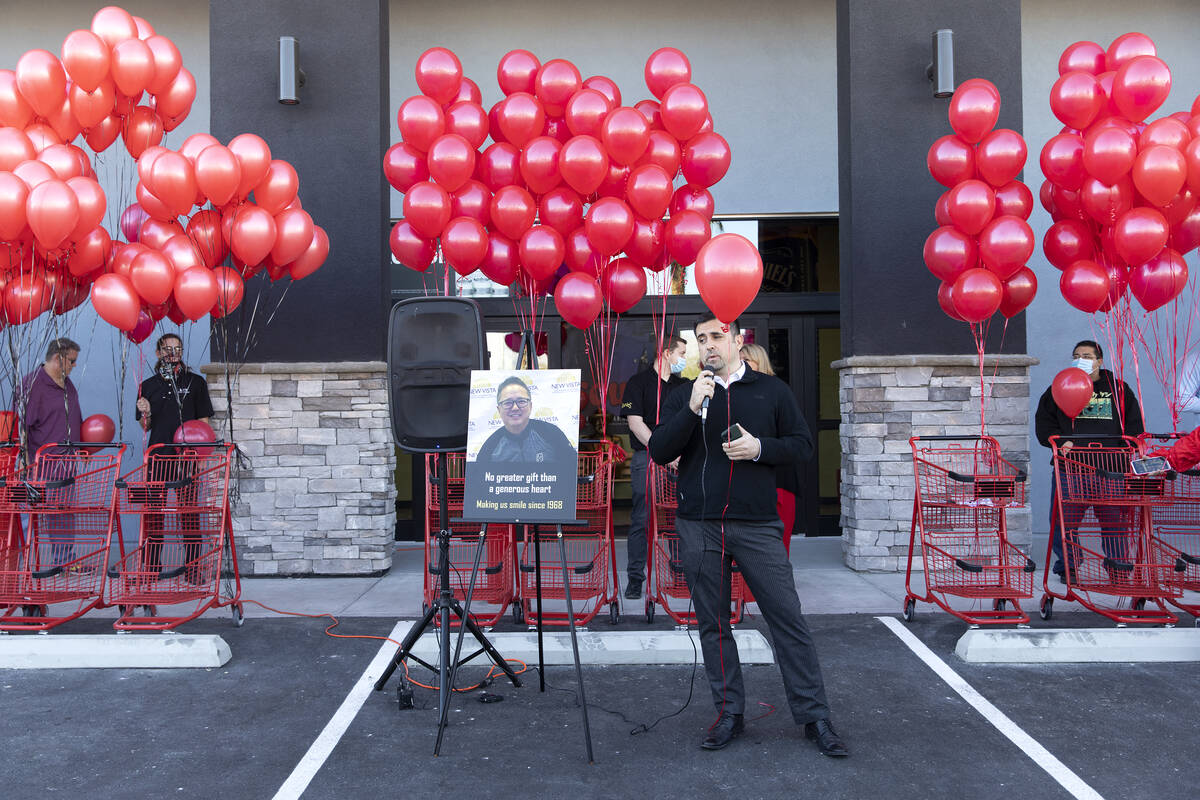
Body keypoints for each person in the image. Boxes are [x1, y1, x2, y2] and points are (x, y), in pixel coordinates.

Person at [650, 312, 848, 757]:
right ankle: (728, 713)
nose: (709, 345)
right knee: (714, 625)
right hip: (699, 524)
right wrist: (690, 407)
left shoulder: (771, 390)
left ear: (738, 341)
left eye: (717, 336)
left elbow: (802, 445)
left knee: (787, 620)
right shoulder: (687, 393)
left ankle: (815, 716)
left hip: (757, 525)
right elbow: (661, 450)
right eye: (701, 339)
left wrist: (761, 449)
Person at [1034, 339, 1143, 582]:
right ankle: (1068, 566)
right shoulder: (1059, 387)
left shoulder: (1119, 390)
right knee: (1064, 521)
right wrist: (1060, 443)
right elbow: (1044, 424)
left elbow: (1135, 426)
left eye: (1087, 355)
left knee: (1115, 523)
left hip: (1111, 469)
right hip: (1072, 469)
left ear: (1099, 361)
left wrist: (1126, 448)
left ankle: (1118, 567)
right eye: (1076, 355)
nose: (1081, 359)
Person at [135, 334, 214, 582]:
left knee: (189, 514)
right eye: (168, 349)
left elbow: (203, 422)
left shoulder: (195, 382)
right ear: (158, 353)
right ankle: (152, 567)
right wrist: (144, 413)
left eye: (177, 348)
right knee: (154, 514)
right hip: (158, 457)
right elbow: (144, 425)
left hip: (187, 458)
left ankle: (192, 569)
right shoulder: (147, 385)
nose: (173, 353)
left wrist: (201, 456)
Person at [619, 333, 687, 600]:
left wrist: (675, 453)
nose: (684, 358)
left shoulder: (683, 386)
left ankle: (680, 574)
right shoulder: (638, 383)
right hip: (646, 458)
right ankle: (635, 579)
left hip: (679, 461)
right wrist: (662, 450)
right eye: (681, 353)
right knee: (641, 520)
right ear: (665, 353)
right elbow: (634, 423)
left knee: (677, 518)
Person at [15, 338, 83, 569]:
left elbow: (74, 416)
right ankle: (22, 566)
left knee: (62, 514)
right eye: (72, 361)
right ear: (58, 358)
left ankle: (64, 562)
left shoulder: (66, 383)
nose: (74, 365)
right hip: (40, 465)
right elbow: (22, 427)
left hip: (65, 464)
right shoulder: (33, 384)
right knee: (27, 518)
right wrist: (25, 464)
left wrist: (82, 447)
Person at [740, 342, 802, 555]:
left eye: (746, 360)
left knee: (778, 541)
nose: (741, 365)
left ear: (760, 362)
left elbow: (797, 440)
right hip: (749, 479)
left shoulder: (778, 391)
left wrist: (759, 445)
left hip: (779, 478)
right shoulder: (736, 392)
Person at [475, 376, 576, 468]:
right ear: (499, 410)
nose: (515, 408)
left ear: (530, 406)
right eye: (507, 403)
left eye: (521, 401)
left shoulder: (551, 433)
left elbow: (572, 471)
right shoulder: (490, 447)